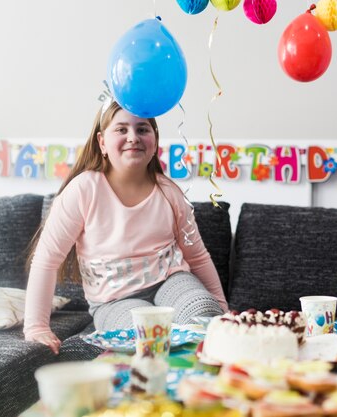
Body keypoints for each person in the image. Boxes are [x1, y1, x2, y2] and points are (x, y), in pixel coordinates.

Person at [24, 100, 228, 355]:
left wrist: (222, 311)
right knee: (148, 336)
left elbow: (197, 256)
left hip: (171, 281)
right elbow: (46, 260)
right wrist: (36, 327)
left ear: (155, 141)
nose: (133, 137)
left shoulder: (169, 192)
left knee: (203, 314)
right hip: (114, 301)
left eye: (143, 129)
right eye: (121, 130)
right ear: (102, 143)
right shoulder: (84, 189)